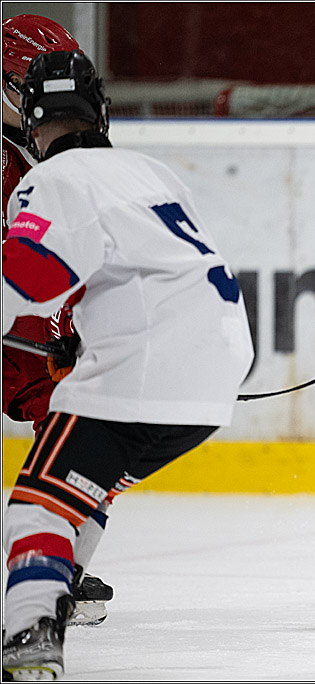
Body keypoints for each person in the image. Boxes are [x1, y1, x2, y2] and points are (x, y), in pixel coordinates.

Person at [2, 49, 253, 681]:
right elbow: (147, 271)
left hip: (144, 369)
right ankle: (59, 584)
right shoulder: (149, 171)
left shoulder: (51, 180)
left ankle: (31, 629)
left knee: (37, 506)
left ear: (32, 122)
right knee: (86, 487)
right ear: (101, 111)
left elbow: (29, 282)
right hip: (218, 368)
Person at [2, 13, 117, 631]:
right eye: (26, 82)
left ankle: (55, 571)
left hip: (30, 335)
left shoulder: (55, 152)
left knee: (90, 435)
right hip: (19, 325)